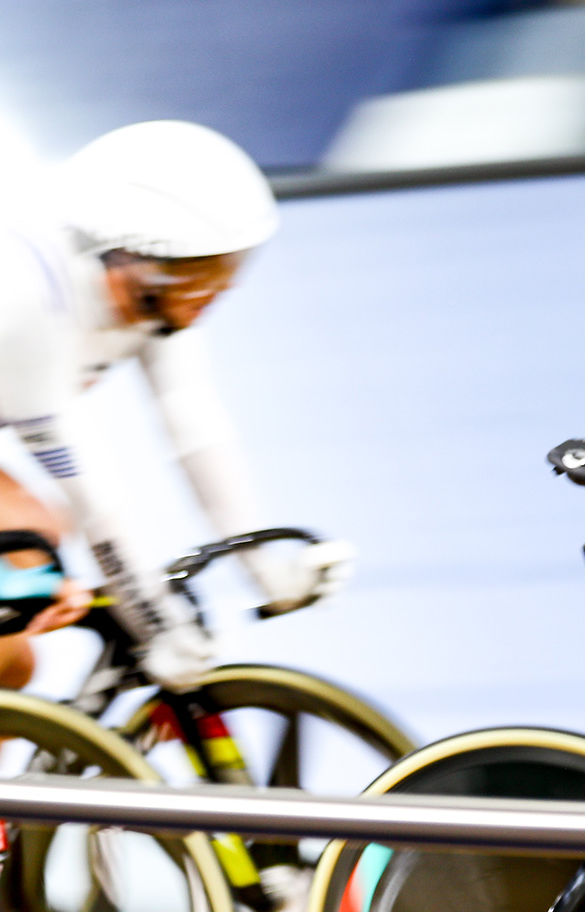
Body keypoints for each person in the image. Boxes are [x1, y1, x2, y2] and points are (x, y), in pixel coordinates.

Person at [0, 121, 353, 700]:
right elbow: (93, 493)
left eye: (232, 268)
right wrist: (157, 621)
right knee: (30, 550)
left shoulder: (156, 293)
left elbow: (195, 429)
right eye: (204, 273)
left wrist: (267, 571)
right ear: (135, 259)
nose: (220, 291)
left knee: (13, 659)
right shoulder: (27, 297)